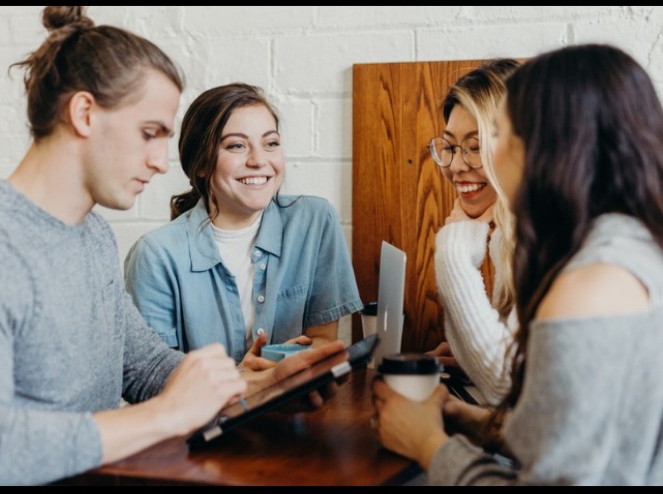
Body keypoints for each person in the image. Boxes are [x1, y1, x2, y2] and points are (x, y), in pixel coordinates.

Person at [0, 6, 344, 486]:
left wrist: (253, 389)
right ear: (84, 113)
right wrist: (166, 416)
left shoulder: (90, 233)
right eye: (149, 133)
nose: (160, 162)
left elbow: (146, 366)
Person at [372, 43, 663, 485]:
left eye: (499, 134)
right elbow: (579, 439)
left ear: (549, 146)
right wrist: (474, 422)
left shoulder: (590, 284)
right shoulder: (627, 247)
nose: (471, 161)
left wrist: (428, 444)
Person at [124, 82, 363, 369]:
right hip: (207, 414)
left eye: (271, 143)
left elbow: (323, 341)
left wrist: (283, 367)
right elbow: (154, 379)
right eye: (236, 146)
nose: (259, 160)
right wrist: (245, 379)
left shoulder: (314, 221)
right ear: (200, 164)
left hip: (296, 407)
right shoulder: (155, 256)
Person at [427, 59, 521, 405]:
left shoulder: (547, 237)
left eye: (475, 146)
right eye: (450, 146)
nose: (455, 165)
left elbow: (505, 387)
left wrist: (453, 248)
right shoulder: (507, 235)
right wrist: (468, 357)